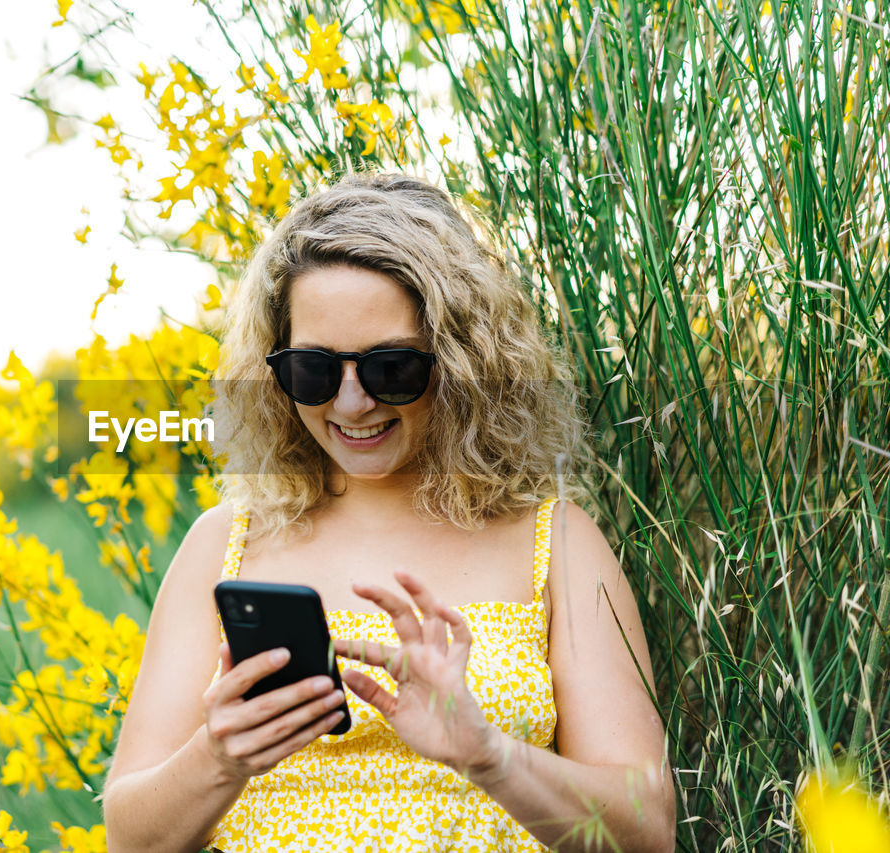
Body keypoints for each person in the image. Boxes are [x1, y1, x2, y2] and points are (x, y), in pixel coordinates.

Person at [101, 172, 676, 852]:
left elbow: (646, 831)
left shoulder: (556, 540)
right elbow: (129, 840)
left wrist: (489, 755)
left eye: (391, 369)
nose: (350, 404)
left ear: (463, 360)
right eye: (313, 370)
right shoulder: (226, 541)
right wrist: (217, 759)